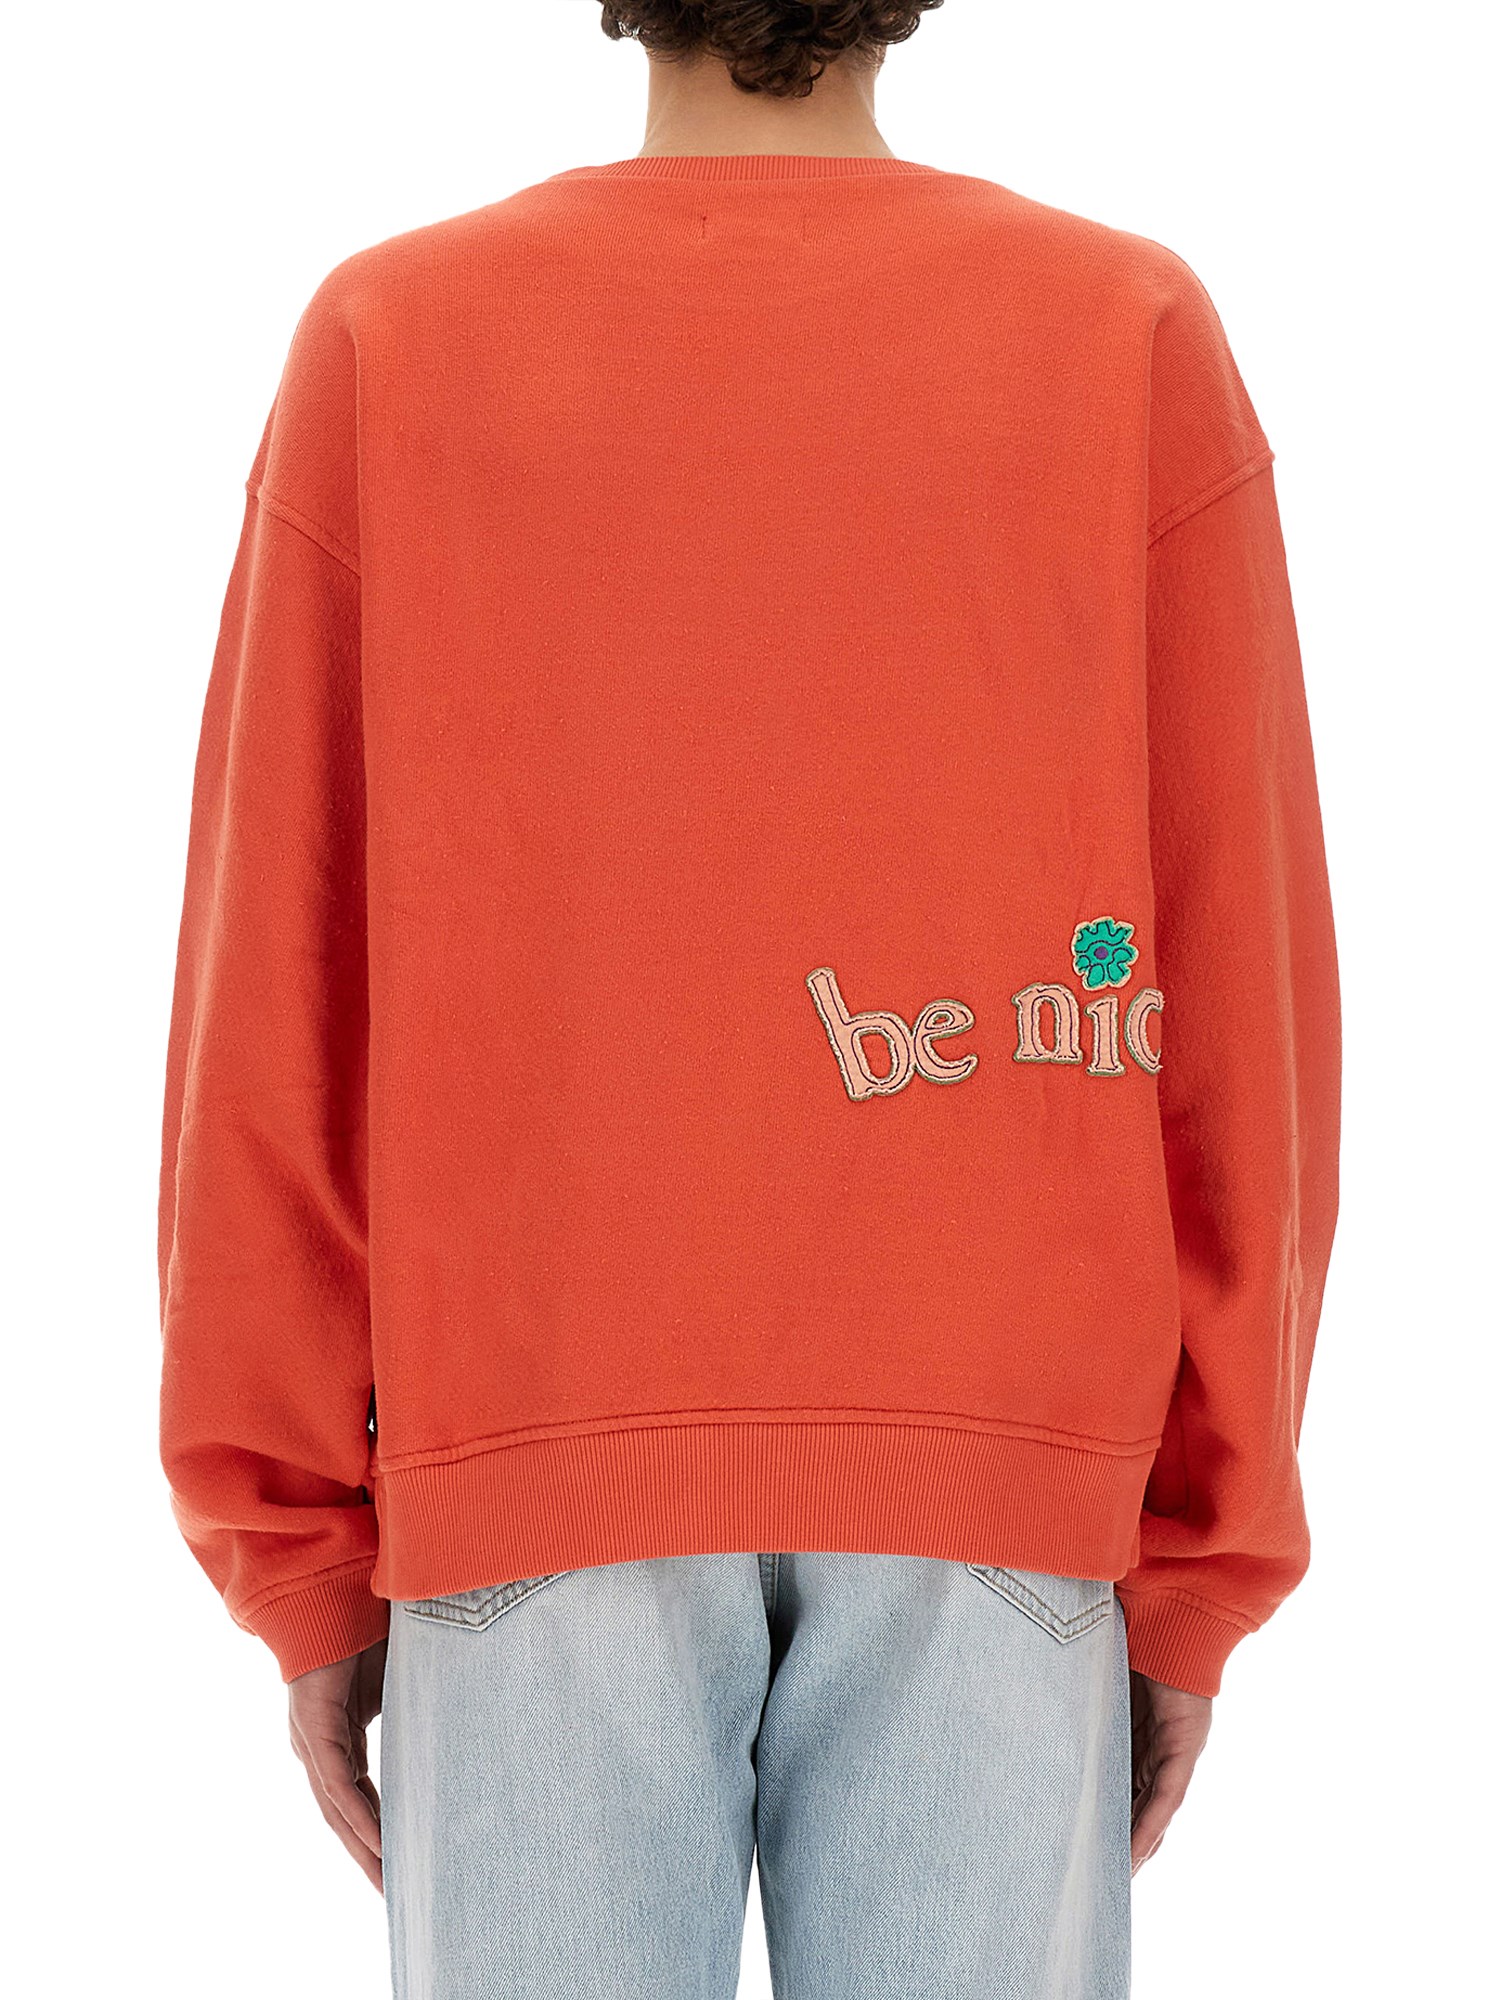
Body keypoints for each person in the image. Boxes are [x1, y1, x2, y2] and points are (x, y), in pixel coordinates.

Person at [156, 3, 1341, 1993]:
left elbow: (272, 991)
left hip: (530, 1447)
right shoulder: (1121, 330)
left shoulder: (393, 337)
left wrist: (297, 1543)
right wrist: (1206, 1549)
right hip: (997, 1455)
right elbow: (1242, 990)